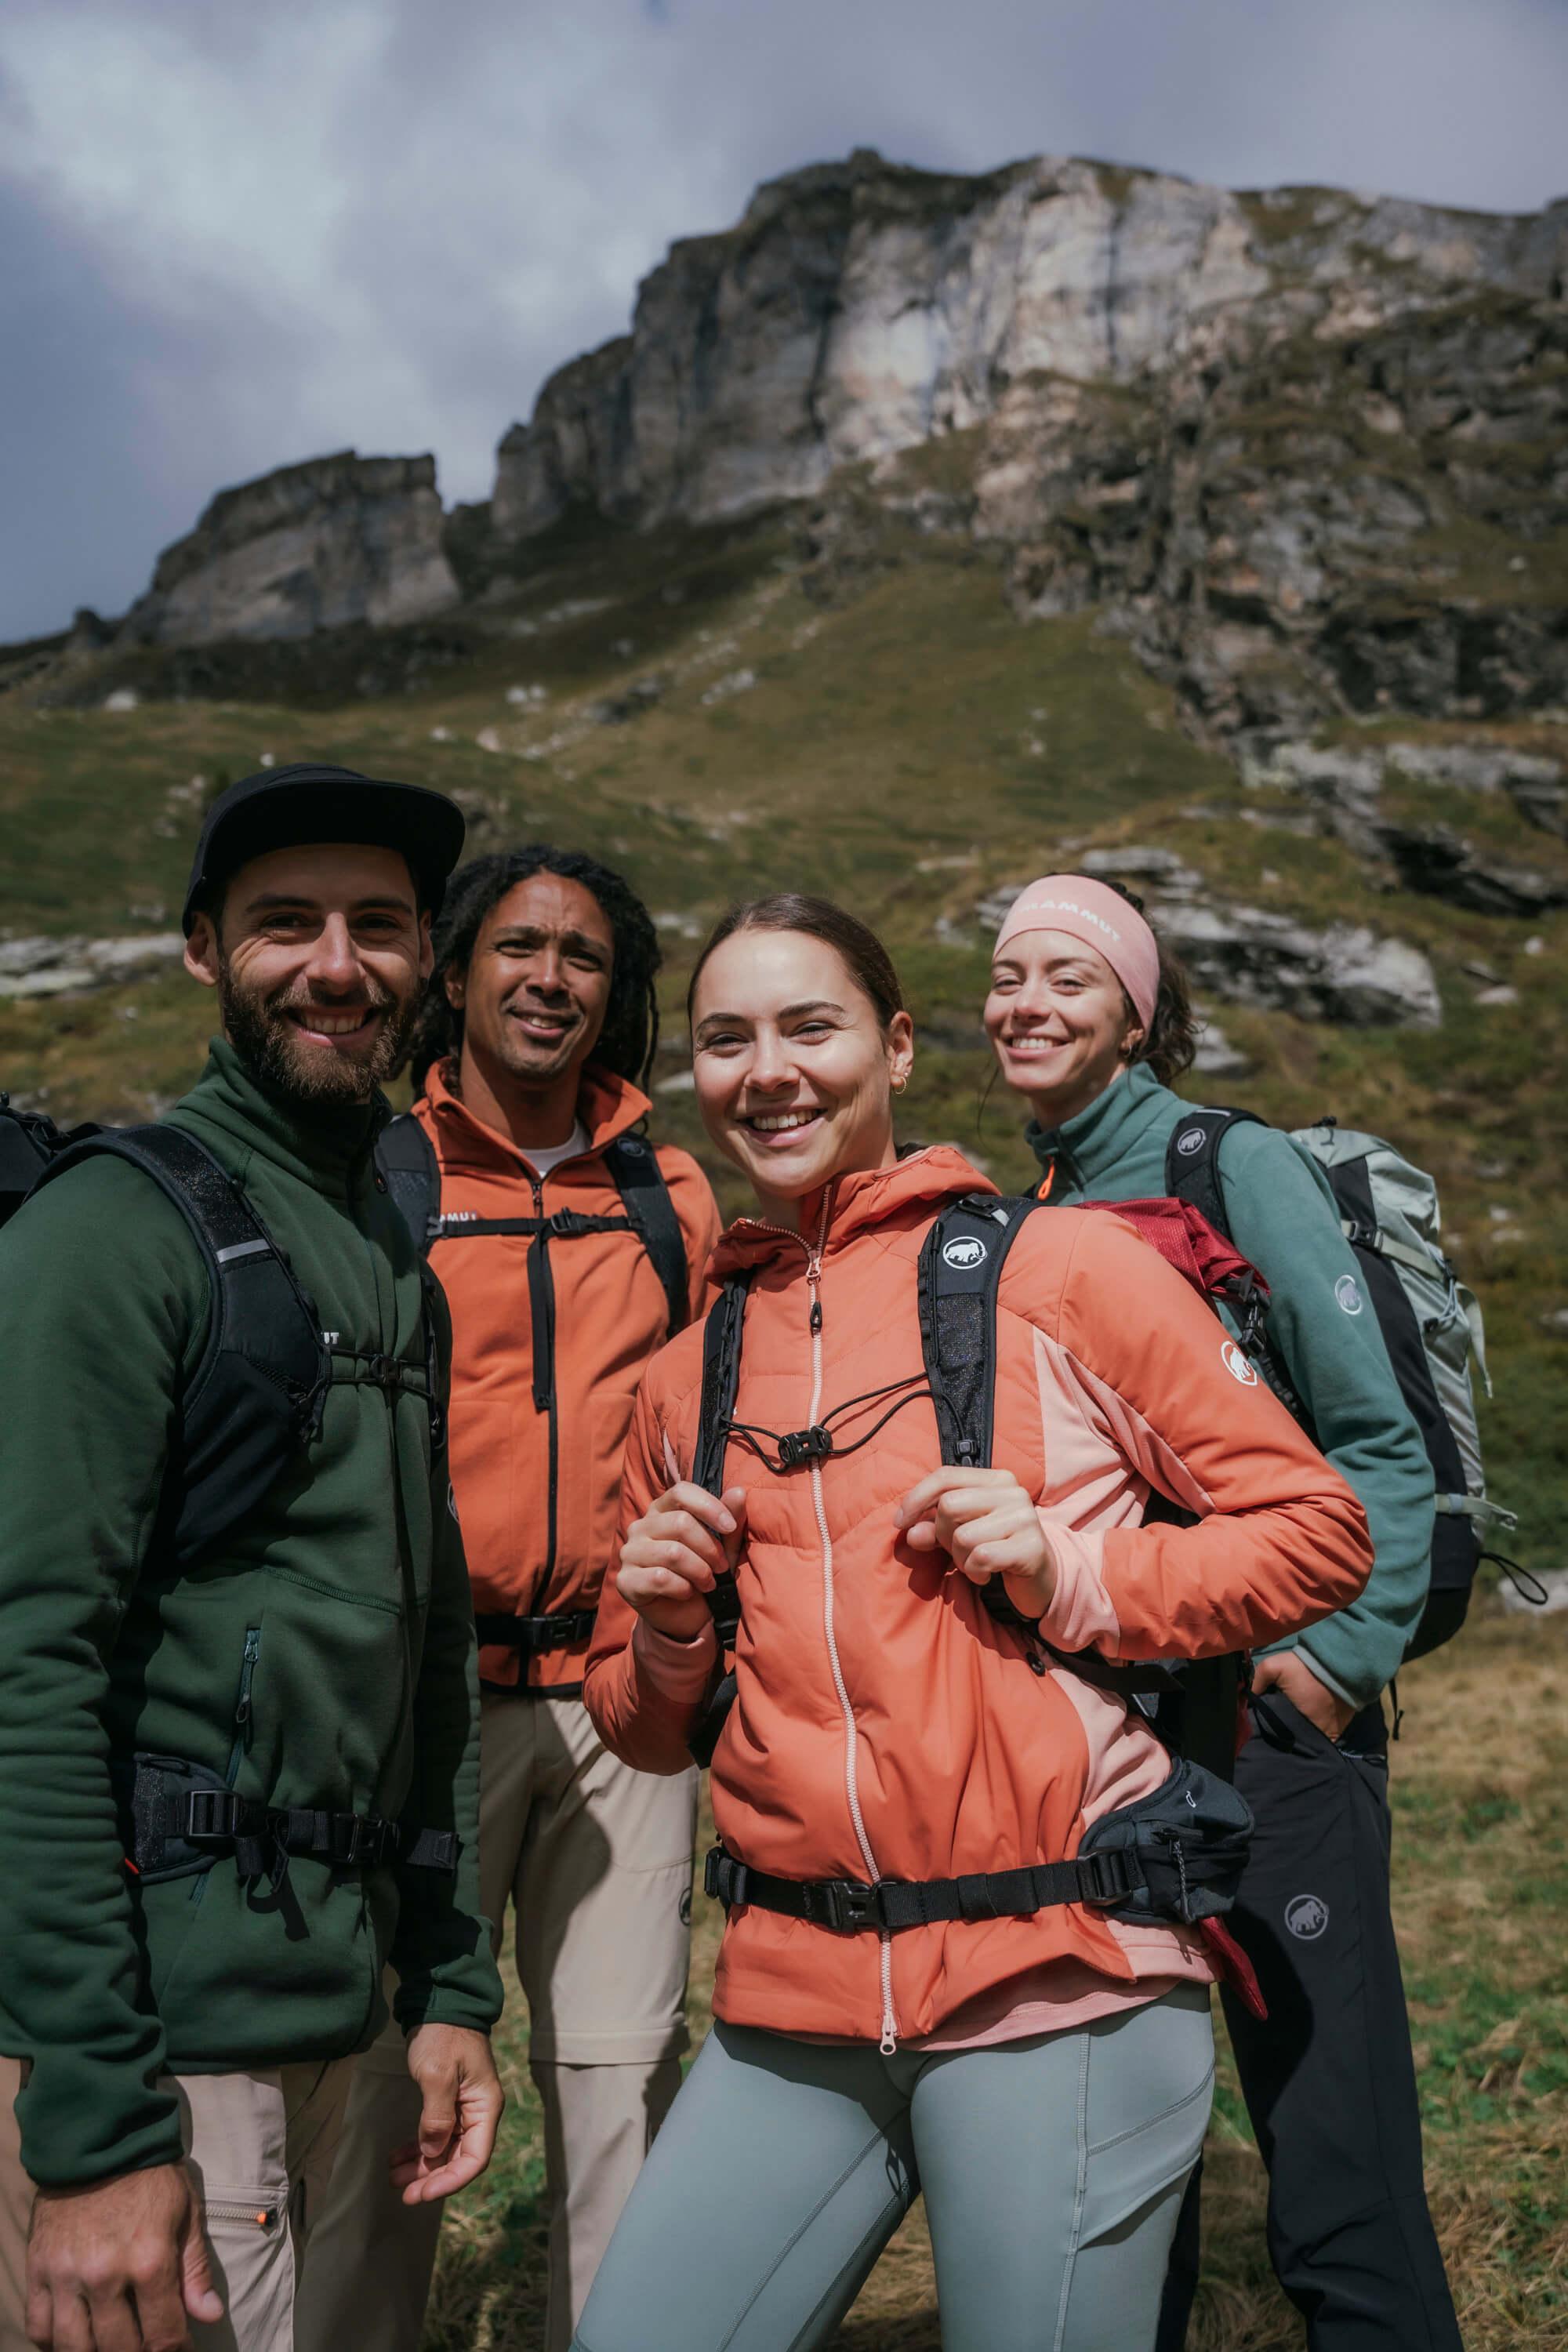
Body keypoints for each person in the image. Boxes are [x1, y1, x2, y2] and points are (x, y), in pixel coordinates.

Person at [569, 892, 1374, 2352]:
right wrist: (669, 1626)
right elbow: (637, 1721)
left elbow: (1318, 1531)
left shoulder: (1058, 1271)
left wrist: (1079, 1571)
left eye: (811, 1028)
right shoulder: (682, 1372)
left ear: (894, 1046)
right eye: (727, 1040)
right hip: (793, 1993)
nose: (771, 1072)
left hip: (1054, 1972)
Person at [0, 764, 505, 2352]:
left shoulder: (382, 1249)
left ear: (427, 957)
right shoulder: (107, 1235)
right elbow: (24, 1672)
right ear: (204, 950)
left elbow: (423, 1643)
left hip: (336, 2015)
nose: (337, 966)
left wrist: (446, 1986)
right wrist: (89, 2124)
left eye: (378, 925)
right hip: (164, 2054)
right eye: (286, 924)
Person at [982, 872, 1460, 2352]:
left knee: (1330, 2143)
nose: (1026, 1004)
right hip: (1107, 1741)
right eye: (1007, 976)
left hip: (1269, 1729)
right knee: (1128, 2140)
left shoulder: (1224, 1160)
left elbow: (1376, 1438)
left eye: (1068, 977)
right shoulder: (1030, 1210)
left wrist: (1326, 1668)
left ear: (1136, 1009)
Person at [296, 848, 720, 2352]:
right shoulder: (381, 1175)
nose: (551, 978)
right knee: (388, 2094)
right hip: (425, 1716)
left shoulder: (670, 1192)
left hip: (622, 1706)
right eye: (520, 948)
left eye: (586, 957)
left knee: (621, 2096)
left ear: (618, 993)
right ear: (458, 973)